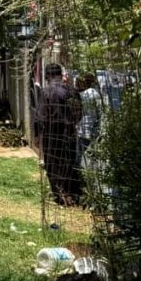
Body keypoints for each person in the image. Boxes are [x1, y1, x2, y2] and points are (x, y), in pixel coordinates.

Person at [36, 63, 81, 205]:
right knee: (68, 161)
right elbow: (79, 113)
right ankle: (68, 193)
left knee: (52, 163)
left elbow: (41, 116)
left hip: (51, 132)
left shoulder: (46, 91)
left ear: (48, 75)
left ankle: (59, 194)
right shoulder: (72, 90)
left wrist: (38, 134)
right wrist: (71, 123)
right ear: (60, 74)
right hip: (69, 131)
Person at [76, 73, 101, 162]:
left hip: (82, 128)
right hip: (93, 127)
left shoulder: (82, 95)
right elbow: (100, 111)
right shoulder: (96, 93)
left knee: (79, 154)